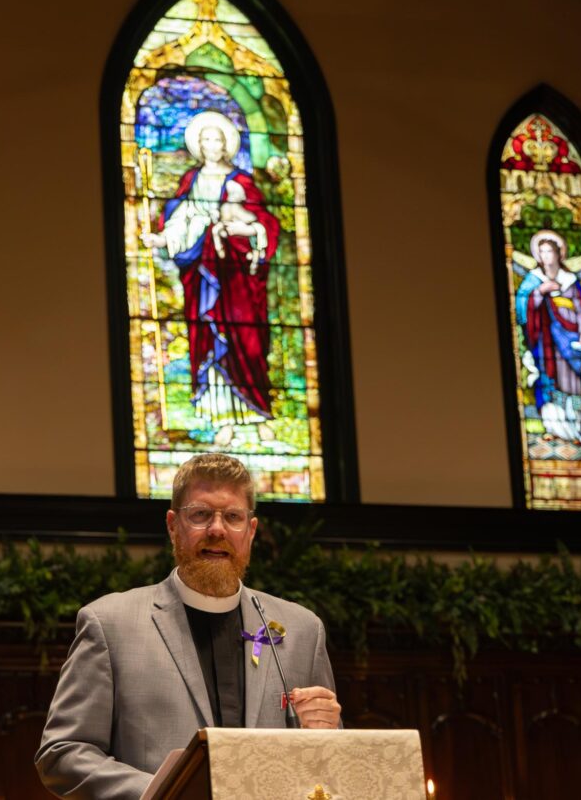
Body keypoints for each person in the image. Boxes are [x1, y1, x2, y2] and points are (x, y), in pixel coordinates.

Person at [35, 453, 341, 799]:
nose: (217, 529)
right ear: (172, 525)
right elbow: (62, 753)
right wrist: (167, 792)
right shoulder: (110, 624)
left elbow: (329, 768)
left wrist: (326, 734)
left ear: (250, 530)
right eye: (200, 515)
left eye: (233, 517)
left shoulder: (301, 630)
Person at [142, 111, 280, 444]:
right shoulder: (191, 181)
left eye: (217, 139)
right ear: (198, 146)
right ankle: (224, 419)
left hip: (238, 278)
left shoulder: (243, 182)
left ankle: (259, 412)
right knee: (210, 339)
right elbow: (180, 218)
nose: (211, 145)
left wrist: (248, 229)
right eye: (205, 140)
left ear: (227, 145)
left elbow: (266, 222)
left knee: (246, 339)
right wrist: (163, 238)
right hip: (205, 274)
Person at [515, 230, 581, 443]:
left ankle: (577, 429)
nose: (546, 256)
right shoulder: (534, 280)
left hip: (570, 341)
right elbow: (521, 307)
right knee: (549, 381)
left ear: (558, 254)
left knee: (574, 384)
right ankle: (554, 426)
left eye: (549, 251)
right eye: (541, 252)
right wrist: (540, 291)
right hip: (547, 343)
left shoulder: (569, 280)